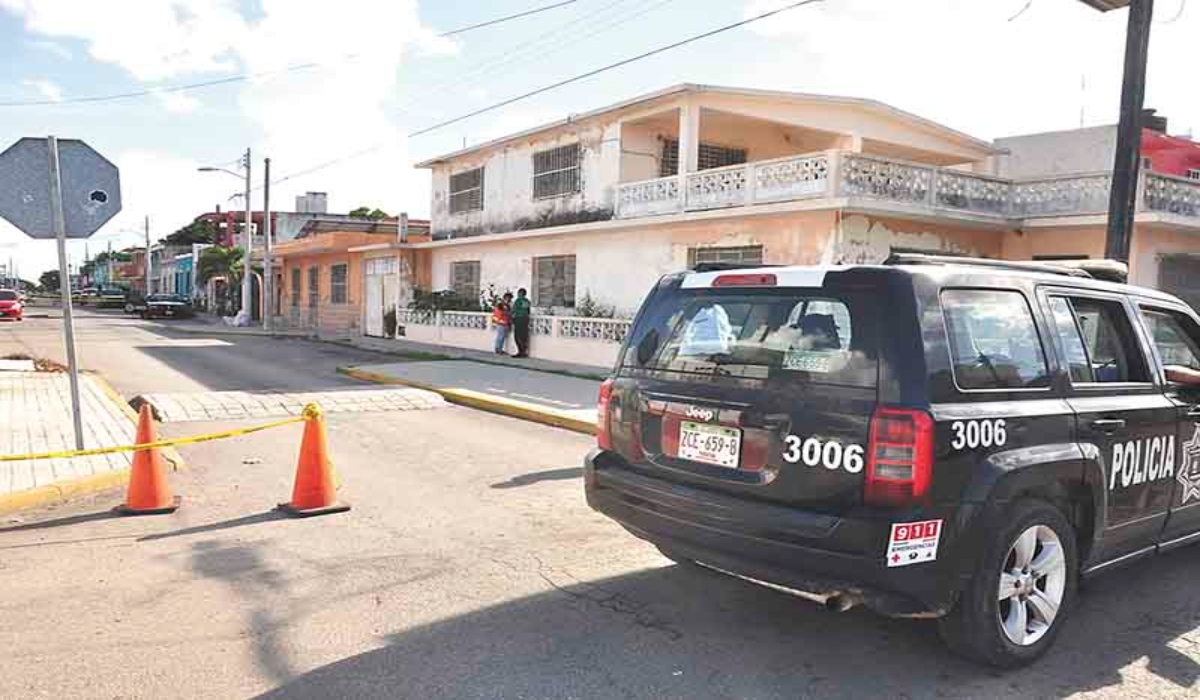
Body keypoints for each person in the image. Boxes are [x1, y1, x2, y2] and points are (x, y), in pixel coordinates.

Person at [512, 288, 532, 358]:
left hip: (519, 319)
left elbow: (513, 310)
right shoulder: (527, 301)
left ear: (520, 293)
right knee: (524, 336)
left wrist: (512, 318)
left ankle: (520, 352)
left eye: (518, 293)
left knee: (517, 336)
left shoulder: (518, 300)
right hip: (525, 319)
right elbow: (528, 311)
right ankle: (524, 352)